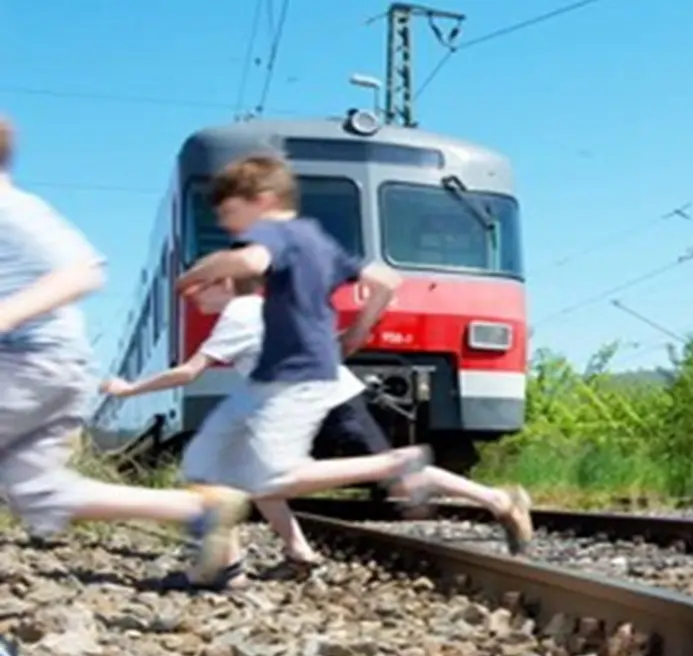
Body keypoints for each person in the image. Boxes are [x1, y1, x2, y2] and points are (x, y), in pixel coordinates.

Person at [100, 275, 534, 586]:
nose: (193, 299)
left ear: (225, 285)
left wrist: (129, 388)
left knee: (395, 477)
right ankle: (299, 553)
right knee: (258, 476)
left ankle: (498, 500)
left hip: (325, 406)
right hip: (323, 399)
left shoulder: (237, 316)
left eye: (199, 289)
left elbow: (189, 372)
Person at [169, 153, 445, 578]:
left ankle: (396, 464)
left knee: (270, 478)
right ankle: (228, 565)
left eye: (230, 213)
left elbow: (249, 263)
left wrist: (196, 271)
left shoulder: (275, 232)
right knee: (209, 461)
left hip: (293, 372)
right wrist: (358, 332)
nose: (228, 225)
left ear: (263, 199)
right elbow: (386, 282)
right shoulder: (318, 239)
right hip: (288, 371)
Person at [0, 114, 250, 582]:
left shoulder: (9, 209)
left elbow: (83, 269)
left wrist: (8, 314)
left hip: (28, 361)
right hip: (46, 365)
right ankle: (200, 511)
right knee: (35, 491)